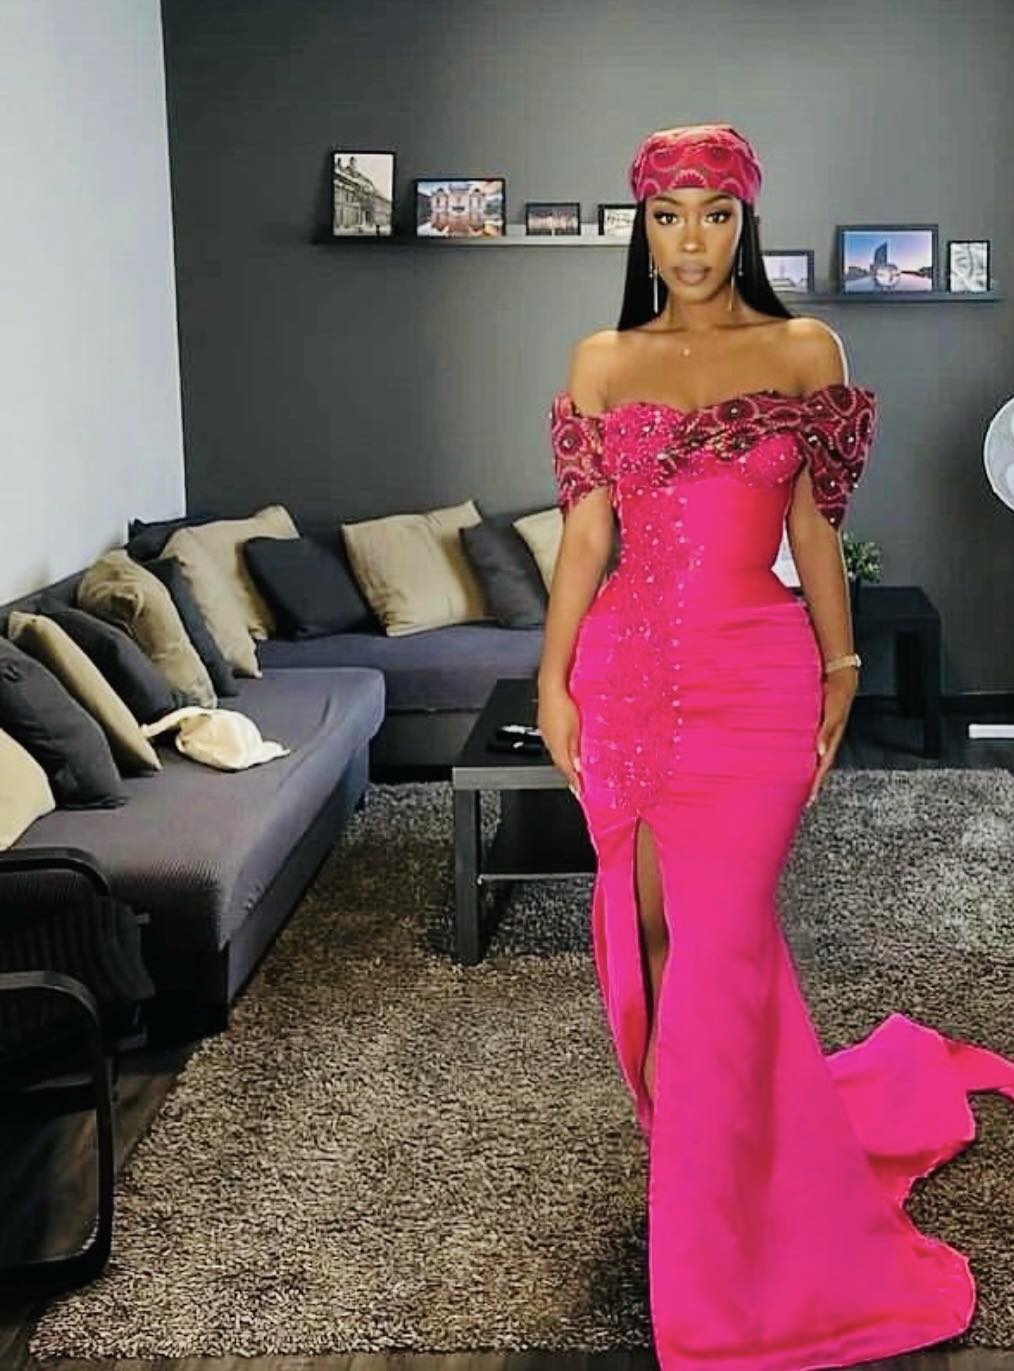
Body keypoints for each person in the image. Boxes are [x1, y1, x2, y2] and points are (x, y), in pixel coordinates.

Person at [536, 123, 1014, 1370]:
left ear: (746, 221)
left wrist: (841, 666)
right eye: (667, 215)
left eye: (714, 213)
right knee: (648, 933)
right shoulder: (601, 360)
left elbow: (809, 527)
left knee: (724, 940)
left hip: (756, 674)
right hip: (628, 672)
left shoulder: (807, 351)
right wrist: (552, 677)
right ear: (642, 229)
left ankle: (724, 1240)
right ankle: (695, 1154)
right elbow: (585, 536)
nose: (690, 239)